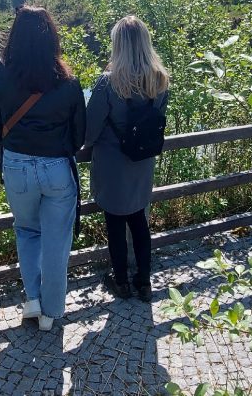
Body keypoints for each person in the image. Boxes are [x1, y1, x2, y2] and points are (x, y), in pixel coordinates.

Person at [0, 6, 86, 331]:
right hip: (57, 168)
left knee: (27, 231)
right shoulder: (69, 83)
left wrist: (3, 155)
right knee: (57, 243)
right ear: (51, 38)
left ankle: (32, 300)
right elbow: (78, 137)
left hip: (16, 167)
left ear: (15, 36)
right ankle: (50, 314)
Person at [84, 15, 169, 302]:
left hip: (112, 166)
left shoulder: (109, 82)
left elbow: (89, 131)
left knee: (115, 225)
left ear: (117, 44)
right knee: (139, 223)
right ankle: (144, 282)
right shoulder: (160, 80)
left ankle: (121, 282)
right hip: (143, 163)